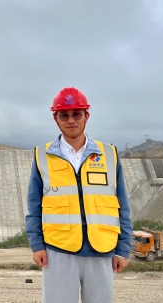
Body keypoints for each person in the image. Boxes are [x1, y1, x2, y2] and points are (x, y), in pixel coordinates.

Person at [25, 87, 132, 303]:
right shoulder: (42, 156)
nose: (71, 120)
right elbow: (34, 207)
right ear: (55, 118)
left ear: (87, 116)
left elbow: (122, 206)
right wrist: (37, 245)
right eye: (64, 115)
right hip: (59, 250)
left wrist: (123, 249)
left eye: (77, 114)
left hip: (101, 249)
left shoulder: (109, 155)